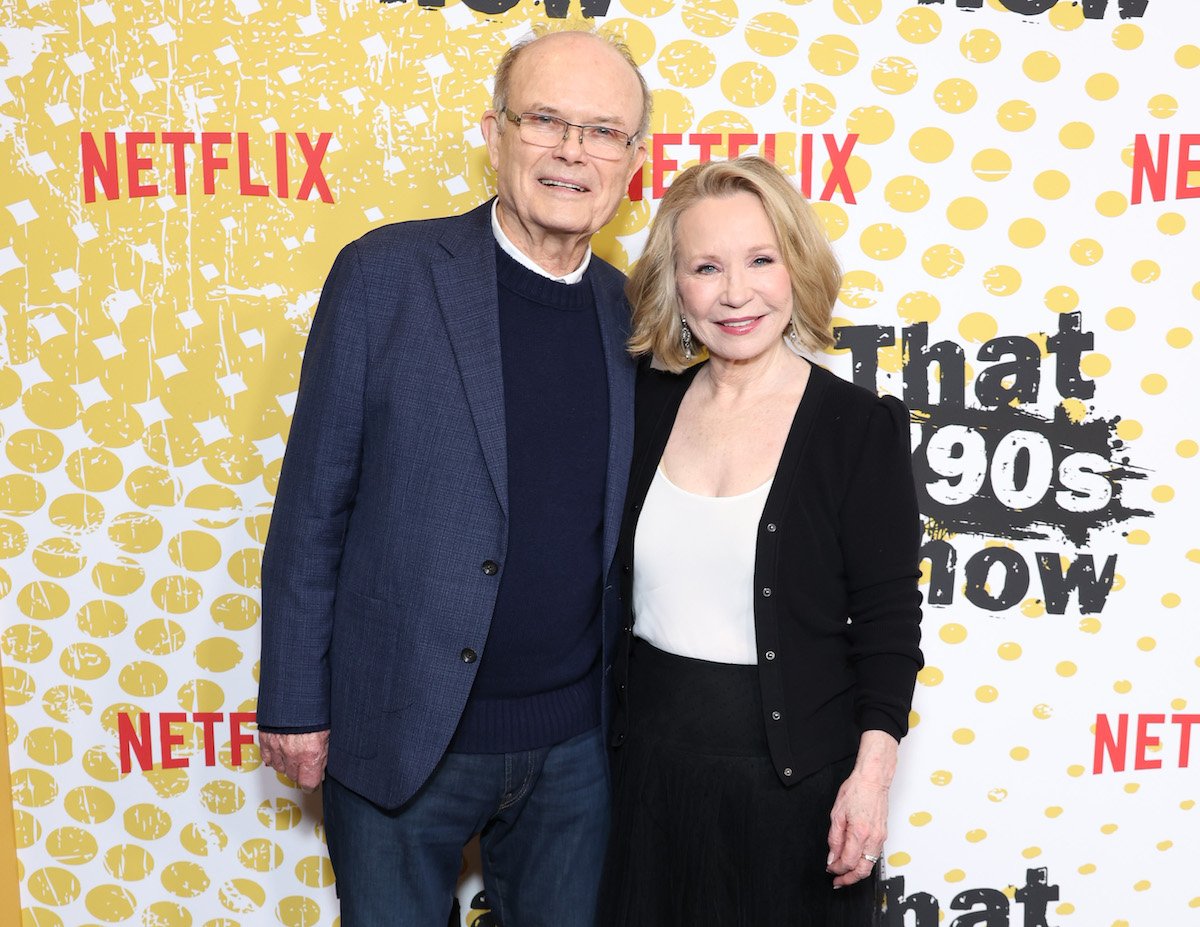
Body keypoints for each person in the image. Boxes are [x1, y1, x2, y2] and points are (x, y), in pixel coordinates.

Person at [255, 28, 650, 927]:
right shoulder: (385, 275)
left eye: (601, 131)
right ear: (494, 132)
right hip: (397, 729)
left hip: (576, 751)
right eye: (546, 119)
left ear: (633, 159)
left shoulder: (630, 310)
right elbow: (313, 506)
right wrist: (292, 699)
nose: (570, 151)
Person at [599, 157, 924, 926]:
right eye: (706, 267)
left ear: (795, 266)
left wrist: (870, 781)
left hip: (797, 787)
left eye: (760, 260)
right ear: (675, 284)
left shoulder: (856, 427)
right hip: (642, 779)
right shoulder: (640, 405)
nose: (736, 293)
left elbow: (888, 623)